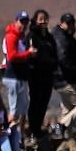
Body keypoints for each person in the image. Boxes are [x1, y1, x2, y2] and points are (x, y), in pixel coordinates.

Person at [0, 9, 36, 136]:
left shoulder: (22, 38)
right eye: (22, 21)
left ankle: (19, 136)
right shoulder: (11, 36)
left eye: (26, 22)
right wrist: (29, 53)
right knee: (14, 109)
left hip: (22, 77)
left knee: (23, 108)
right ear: (16, 21)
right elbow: (12, 56)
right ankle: (6, 134)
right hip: (12, 76)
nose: (24, 25)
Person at [51, 13, 76, 132]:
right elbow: (63, 59)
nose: (72, 26)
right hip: (65, 80)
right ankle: (60, 126)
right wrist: (74, 77)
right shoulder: (61, 38)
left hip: (63, 80)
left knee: (68, 109)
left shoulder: (66, 37)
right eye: (68, 23)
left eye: (72, 23)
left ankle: (64, 137)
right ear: (62, 23)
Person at [25, 10, 56, 138]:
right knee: (35, 101)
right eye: (40, 19)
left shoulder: (49, 37)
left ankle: (38, 128)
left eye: (45, 19)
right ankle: (33, 128)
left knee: (44, 101)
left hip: (48, 74)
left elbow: (54, 52)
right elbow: (32, 54)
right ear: (35, 20)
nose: (43, 21)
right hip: (36, 74)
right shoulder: (32, 36)